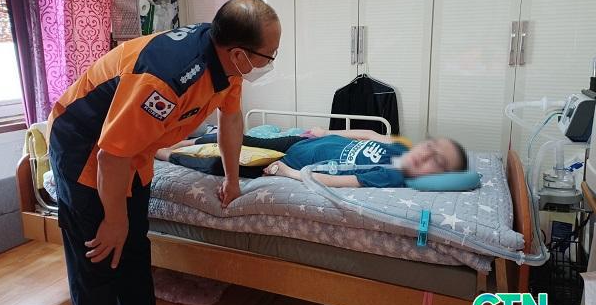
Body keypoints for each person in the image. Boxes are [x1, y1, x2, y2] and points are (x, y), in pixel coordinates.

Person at [47, 0, 280, 305]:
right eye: (269, 55)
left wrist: (232, 179)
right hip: (84, 145)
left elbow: (230, 120)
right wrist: (114, 220)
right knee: (98, 258)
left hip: (131, 149)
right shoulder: (166, 78)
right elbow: (110, 157)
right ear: (239, 53)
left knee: (134, 249)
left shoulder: (228, 65)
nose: (271, 61)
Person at [156, 126, 467, 190]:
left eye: (438, 161)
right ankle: (184, 140)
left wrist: (289, 174)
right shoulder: (400, 149)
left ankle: (167, 154)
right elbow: (370, 133)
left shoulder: (394, 175)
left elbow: (342, 181)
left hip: (289, 162)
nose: (427, 154)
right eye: (432, 146)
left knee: (222, 165)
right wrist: (327, 131)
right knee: (237, 137)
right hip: (301, 141)